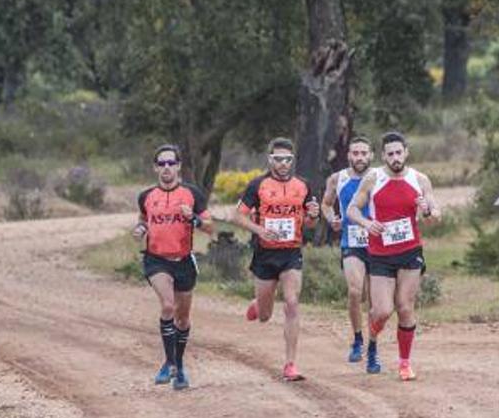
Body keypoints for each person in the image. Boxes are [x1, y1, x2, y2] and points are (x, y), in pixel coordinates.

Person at [346, 131, 440, 382]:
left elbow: (435, 215)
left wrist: (427, 209)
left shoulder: (420, 179)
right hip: (380, 254)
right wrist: (367, 223)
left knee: (405, 307)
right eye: (391, 154)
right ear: (383, 156)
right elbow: (352, 209)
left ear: (406, 152)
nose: (396, 158)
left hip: (410, 251)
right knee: (383, 310)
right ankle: (373, 340)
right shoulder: (372, 178)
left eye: (399, 152)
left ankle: (404, 363)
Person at [233, 137, 321, 381]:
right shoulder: (257, 185)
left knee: (292, 303)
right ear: (270, 159)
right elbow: (237, 217)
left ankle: (290, 364)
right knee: (264, 317)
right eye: (278, 159)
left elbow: (311, 222)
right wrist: (260, 230)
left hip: (291, 253)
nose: (283, 164)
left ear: (293, 160)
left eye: (287, 159)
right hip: (265, 254)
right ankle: (258, 304)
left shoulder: (303, 185)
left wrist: (313, 215)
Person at [133, 144, 213, 390]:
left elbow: (210, 227)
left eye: (171, 163)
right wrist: (140, 229)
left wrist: (194, 219)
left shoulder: (192, 194)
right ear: (155, 168)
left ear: (178, 166)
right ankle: (169, 364)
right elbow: (144, 219)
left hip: (184, 260)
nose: (166, 168)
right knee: (168, 305)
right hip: (156, 259)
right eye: (162, 163)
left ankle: (178, 365)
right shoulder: (146, 196)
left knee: (183, 318)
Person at [321, 135, 378, 370]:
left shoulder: (379, 177)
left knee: (374, 300)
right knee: (355, 292)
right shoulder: (337, 179)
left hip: (377, 243)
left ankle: (373, 348)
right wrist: (331, 218)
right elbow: (326, 204)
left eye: (364, 153)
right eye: (356, 153)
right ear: (349, 156)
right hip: (351, 241)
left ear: (371, 156)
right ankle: (357, 339)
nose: (360, 157)